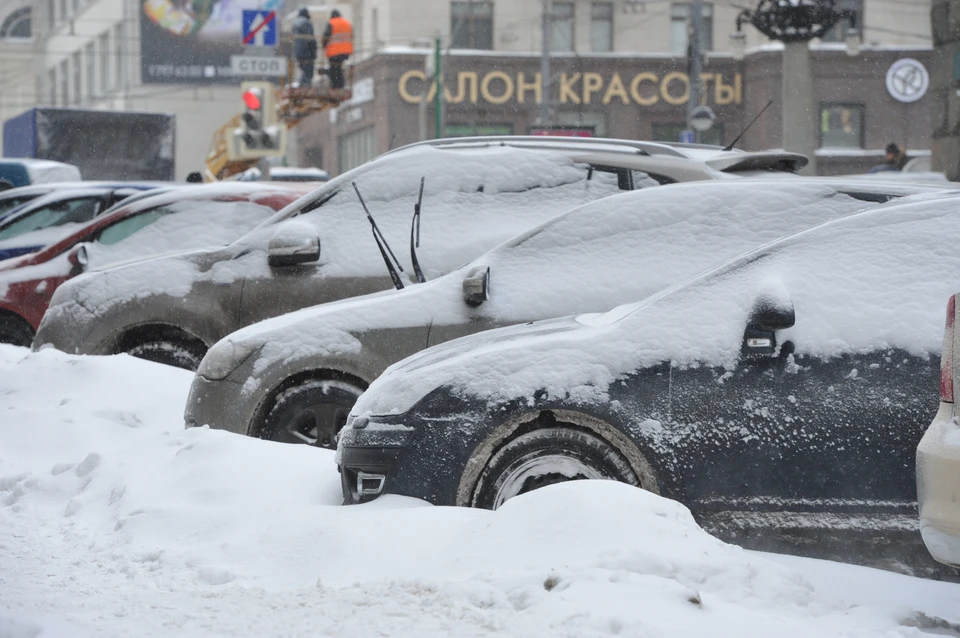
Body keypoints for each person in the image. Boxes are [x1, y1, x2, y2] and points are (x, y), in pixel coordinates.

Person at [322, 9, 353, 90]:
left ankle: (335, 85)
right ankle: (341, 85)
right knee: (339, 68)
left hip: (334, 51)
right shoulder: (347, 23)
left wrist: (324, 45)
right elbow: (351, 36)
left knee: (334, 69)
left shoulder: (331, 23)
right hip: (345, 51)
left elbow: (326, 36)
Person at [291, 8, 317, 87]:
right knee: (308, 70)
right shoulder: (306, 23)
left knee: (303, 69)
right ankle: (305, 85)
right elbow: (310, 38)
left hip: (298, 51)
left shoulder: (295, 23)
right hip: (307, 51)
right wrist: (313, 50)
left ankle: (303, 84)